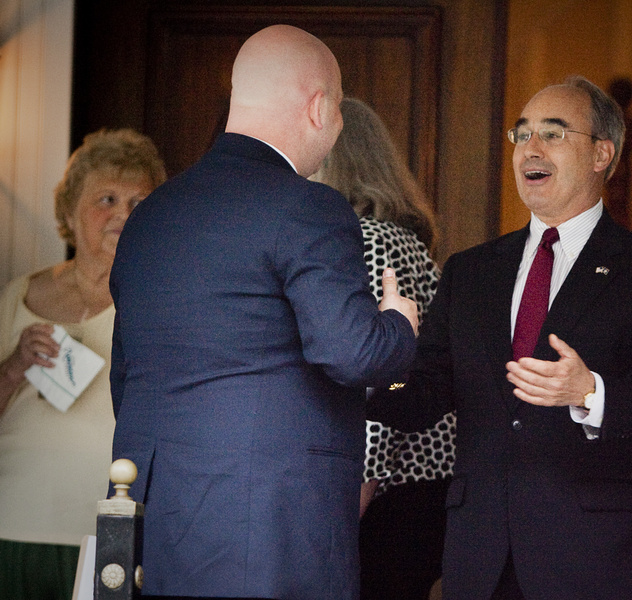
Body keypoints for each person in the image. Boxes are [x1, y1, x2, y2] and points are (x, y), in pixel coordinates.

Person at [109, 25, 418, 600]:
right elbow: (353, 354)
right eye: (341, 109)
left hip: (151, 514)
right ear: (320, 106)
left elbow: (127, 375)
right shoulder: (310, 208)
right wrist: (398, 322)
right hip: (270, 524)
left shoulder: (150, 216)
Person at [367, 75, 632, 600]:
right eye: (521, 135)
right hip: (481, 554)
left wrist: (587, 391)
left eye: (553, 133)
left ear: (601, 154)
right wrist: (382, 359)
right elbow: (420, 399)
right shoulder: (471, 271)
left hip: (593, 556)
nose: (531, 148)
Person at [0, 128, 166, 600]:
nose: (121, 215)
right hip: (12, 519)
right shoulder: (18, 294)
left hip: (108, 526)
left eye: (138, 203)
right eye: (106, 199)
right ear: (69, 212)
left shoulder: (157, 301)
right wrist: (14, 366)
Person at [310, 96, 454, 600]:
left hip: (388, 490)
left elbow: (373, 368)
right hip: (411, 488)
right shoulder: (394, 236)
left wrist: (353, 500)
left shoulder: (368, 239)